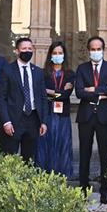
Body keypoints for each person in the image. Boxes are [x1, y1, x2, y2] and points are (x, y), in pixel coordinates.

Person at [74, 36, 107, 203]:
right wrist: (103, 91)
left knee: (105, 154)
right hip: (86, 116)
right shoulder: (82, 68)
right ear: (88, 51)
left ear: (103, 50)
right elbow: (79, 92)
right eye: (92, 49)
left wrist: (93, 89)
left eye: (98, 48)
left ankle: (105, 191)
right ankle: (83, 190)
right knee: (84, 154)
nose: (95, 52)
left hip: (105, 116)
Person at [0, 36, 48, 164]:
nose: (27, 51)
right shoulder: (7, 70)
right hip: (14, 120)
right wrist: (6, 121)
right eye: (24, 48)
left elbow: (43, 98)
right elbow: (2, 97)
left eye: (30, 48)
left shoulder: (38, 72)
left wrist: (43, 121)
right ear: (17, 51)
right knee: (9, 158)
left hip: (33, 119)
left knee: (29, 159)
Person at [37, 41, 74, 176]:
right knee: (45, 146)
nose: (57, 55)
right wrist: (56, 92)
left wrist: (49, 92)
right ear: (50, 55)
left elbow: (65, 95)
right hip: (47, 115)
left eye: (60, 53)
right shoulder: (43, 73)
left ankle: (62, 178)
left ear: (64, 55)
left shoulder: (70, 74)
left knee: (62, 146)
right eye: (55, 53)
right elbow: (41, 94)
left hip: (62, 116)